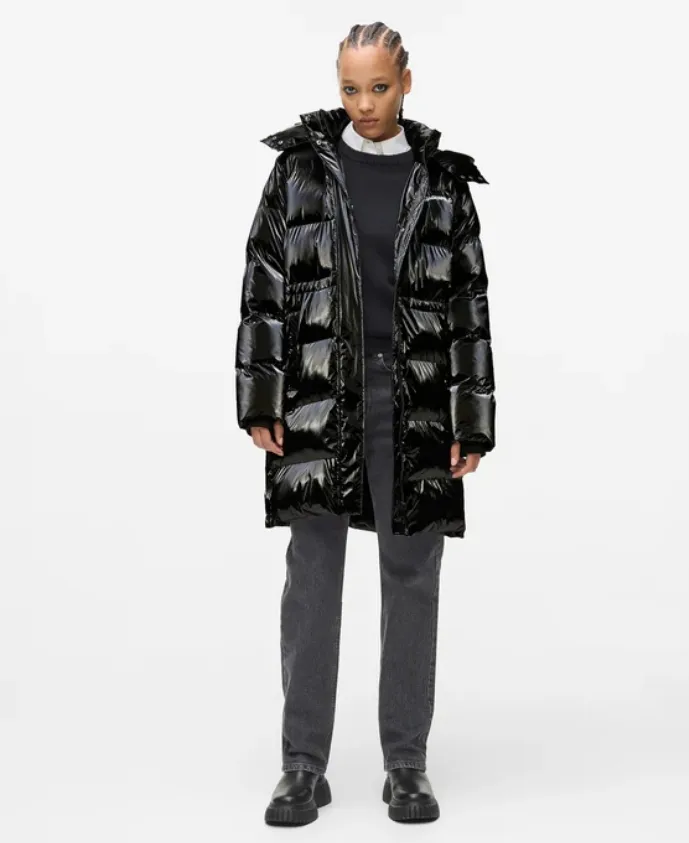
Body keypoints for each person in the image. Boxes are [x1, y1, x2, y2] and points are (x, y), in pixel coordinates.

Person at [235, 20, 496, 826]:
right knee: (312, 578)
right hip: (319, 394)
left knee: (411, 577)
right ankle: (302, 765)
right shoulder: (298, 172)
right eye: (350, 88)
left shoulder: (442, 182)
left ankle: (406, 763)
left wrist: (471, 418)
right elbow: (263, 284)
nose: (364, 103)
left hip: (414, 399)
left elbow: (469, 307)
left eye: (379, 87)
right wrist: (261, 401)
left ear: (406, 81)